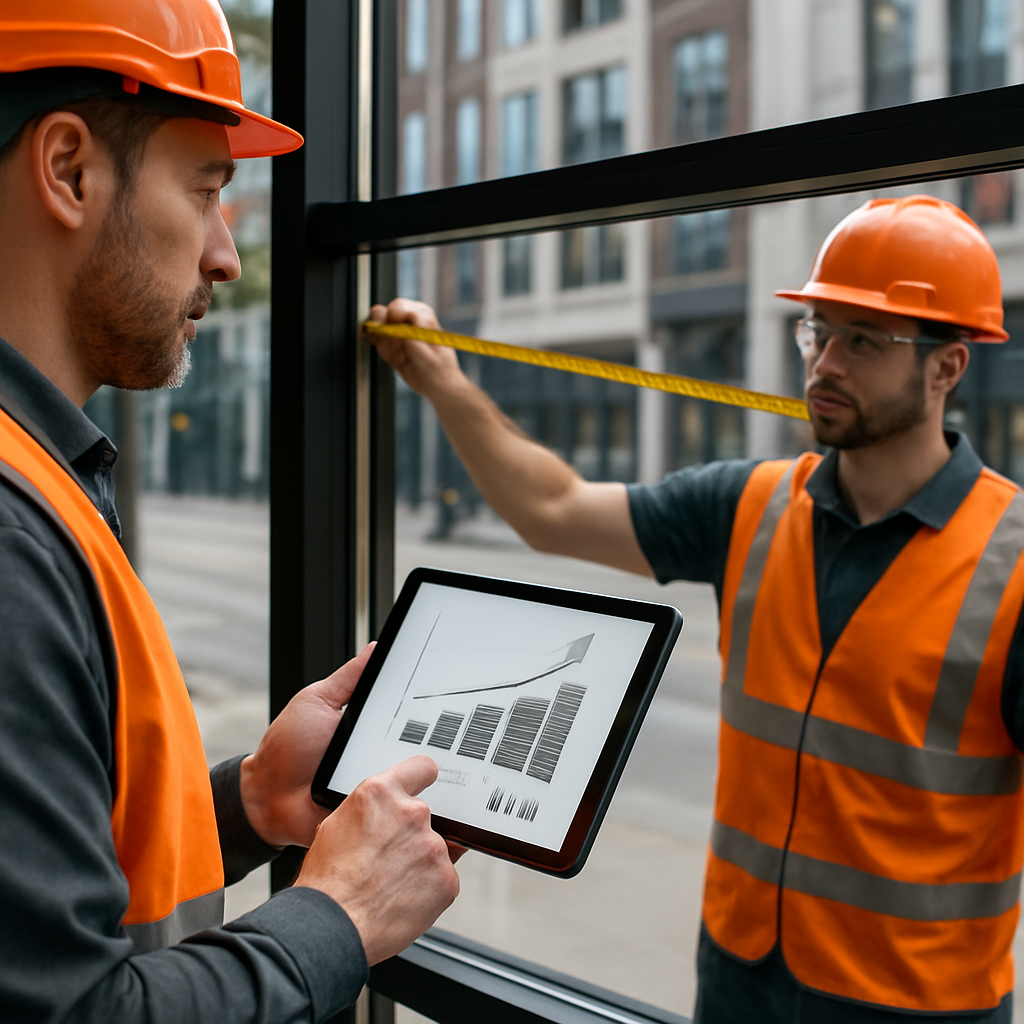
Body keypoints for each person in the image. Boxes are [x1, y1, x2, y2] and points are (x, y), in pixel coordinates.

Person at [369, 194, 1024, 1023]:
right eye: (818, 331)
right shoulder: (748, 505)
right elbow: (555, 511)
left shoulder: (1016, 563)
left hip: (921, 1002)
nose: (824, 365)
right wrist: (439, 378)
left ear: (946, 368)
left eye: (863, 341)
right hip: (742, 975)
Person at [0, 3, 460, 1022]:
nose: (226, 256)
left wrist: (250, 799)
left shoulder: (35, 469)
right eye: (206, 190)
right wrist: (340, 913)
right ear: (69, 170)